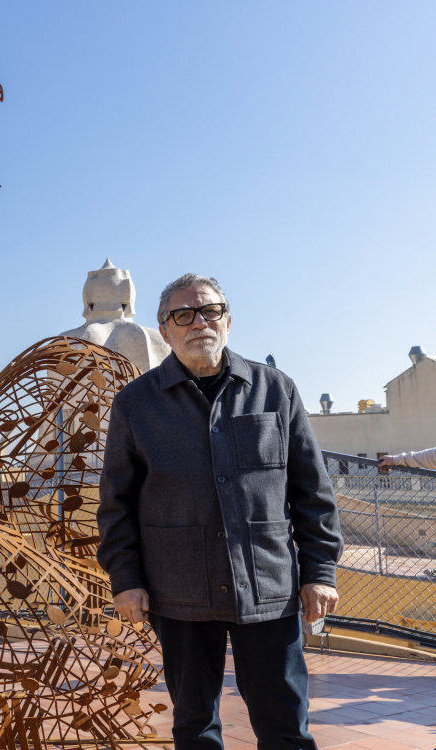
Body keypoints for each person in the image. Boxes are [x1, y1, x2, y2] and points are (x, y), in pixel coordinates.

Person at [96, 273, 343, 750]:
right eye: (183, 315)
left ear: (228, 321)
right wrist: (126, 579)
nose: (199, 322)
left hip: (268, 587)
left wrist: (322, 572)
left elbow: (312, 491)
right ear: (165, 330)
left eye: (210, 311)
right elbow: (116, 503)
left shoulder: (276, 390)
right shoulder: (135, 405)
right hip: (180, 590)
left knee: (287, 724)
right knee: (195, 726)